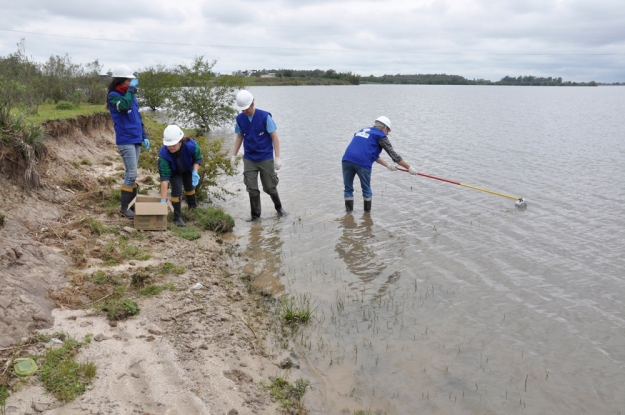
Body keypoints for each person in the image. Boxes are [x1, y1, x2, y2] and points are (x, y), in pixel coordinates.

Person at [231, 90, 287, 221]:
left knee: (269, 187)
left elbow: (274, 136)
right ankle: (255, 216)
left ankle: (279, 208)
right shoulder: (240, 119)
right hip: (249, 158)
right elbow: (240, 136)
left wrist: (277, 157)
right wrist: (233, 155)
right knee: (252, 188)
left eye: (246, 109)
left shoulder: (265, 117)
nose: (244, 112)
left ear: (252, 104)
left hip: (265, 156)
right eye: (242, 109)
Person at [342, 116, 417, 213]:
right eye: (388, 131)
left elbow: (371, 154)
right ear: (383, 127)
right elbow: (394, 156)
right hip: (363, 163)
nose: (388, 133)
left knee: (348, 189)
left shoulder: (363, 130)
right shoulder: (381, 136)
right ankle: (367, 215)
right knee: (366, 190)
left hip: (346, 160)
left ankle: (348, 214)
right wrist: (409, 167)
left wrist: (387, 165)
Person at [107, 65, 150, 218]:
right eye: (129, 80)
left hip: (136, 137)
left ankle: (131, 206)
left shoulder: (132, 96)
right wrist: (131, 90)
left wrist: (144, 135)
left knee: (132, 173)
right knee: (131, 173)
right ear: (121, 80)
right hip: (125, 138)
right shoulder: (113, 96)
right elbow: (124, 107)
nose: (132, 82)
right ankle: (124, 209)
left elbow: (137, 117)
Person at [158, 125, 203, 227]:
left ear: (180, 141)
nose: (170, 148)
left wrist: (195, 172)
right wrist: (163, 200)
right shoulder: (164, 154)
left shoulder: (191, 146)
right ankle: (177, 217)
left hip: (187, 167)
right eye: (168, 145)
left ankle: (193, 206)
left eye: (173, 145)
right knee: (177, 190)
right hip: (174, 171)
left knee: (189, 186)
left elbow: (197, 158)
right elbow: (164, 179)